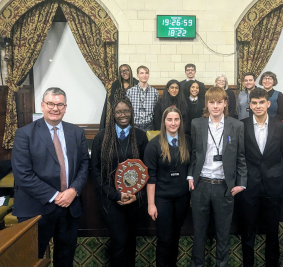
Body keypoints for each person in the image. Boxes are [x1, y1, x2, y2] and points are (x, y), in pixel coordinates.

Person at [11, 87, 89, 266]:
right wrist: (55, 196)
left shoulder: (76, 133)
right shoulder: (24, 134)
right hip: (36, 208)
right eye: (50, 104)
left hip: (70, 207)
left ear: (65, 107)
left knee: (65, 257)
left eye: (59, 104)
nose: (55, 108)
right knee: (31, 260)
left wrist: (74, 190)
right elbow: (23, 174)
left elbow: (84, 164)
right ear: (42, 105)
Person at [187, 87, 247, 267]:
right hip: (201, 185)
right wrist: (190, 176)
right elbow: (194, 153)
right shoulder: (197, 123)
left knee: (223, 233)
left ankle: (222, 264)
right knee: (199, 232)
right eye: (212, 102)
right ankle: (197, 264)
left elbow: (241, 156)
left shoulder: (236, 125)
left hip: (224, 187)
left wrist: (241, 183)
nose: (215, 106)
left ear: (225, 104)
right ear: (206, 104)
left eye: (219, 102)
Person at [91, 96, 148, 266]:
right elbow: (96, 171)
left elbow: (147, 171)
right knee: (119, 241)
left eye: (126, 111)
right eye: (118, 112)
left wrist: (136, 195)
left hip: (134, 200)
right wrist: (116, 194)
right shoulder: (102, 137)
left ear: (131, 112)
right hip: (111, 200)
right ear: (113, 115)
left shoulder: (140, 136)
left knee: (131, 240)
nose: (123, 115)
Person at [238, 88, 283, 267]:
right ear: (249, 105)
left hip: (274, 186)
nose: (258, 106)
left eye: (262, 102)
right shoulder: (241, 125)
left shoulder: (281, 126)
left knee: (272, 232)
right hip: (249, 186)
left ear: (268, 103)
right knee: (247, 231)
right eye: (254, 103)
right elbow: (239, 157)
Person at [145, 106, 192, 267]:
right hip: (162, 199)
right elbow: (150, 177)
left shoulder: (188, 141)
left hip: (182, 197)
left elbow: (192, 169)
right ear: (164, 122)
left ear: (180, 121)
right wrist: (151, 204)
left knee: (176, 236)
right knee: (164, 239)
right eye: (169, 119)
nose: (173, 123)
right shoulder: (154, 145)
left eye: (176, 119)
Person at [100, 64, 138, 130]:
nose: (124, 73)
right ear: (120, 73)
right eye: (122, 71)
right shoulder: (116, 84)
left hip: (134, 115)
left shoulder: (136, 83)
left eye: (126, 70)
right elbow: (111, 99)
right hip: (119, 115)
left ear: (130, 71)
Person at [127, 65, 159, 131]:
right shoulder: (130, 91)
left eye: (146, 73)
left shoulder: (154, 92)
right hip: (134, 124)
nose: (144, 75)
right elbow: (127, 109)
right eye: (142, 73)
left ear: (148, 75)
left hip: (149, 125)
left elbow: (156, 110)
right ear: (137, 75)